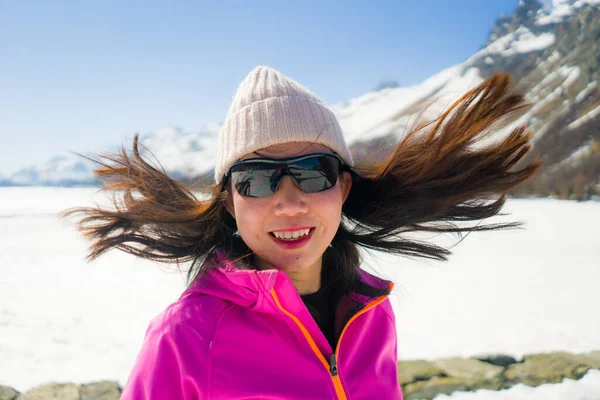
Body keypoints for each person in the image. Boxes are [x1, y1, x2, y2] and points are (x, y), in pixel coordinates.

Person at [65, 66, 539, 399]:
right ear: (230, 200)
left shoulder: (370, 314)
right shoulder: (187, 336)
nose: (290, 203)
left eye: (313, 172)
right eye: (257, 178)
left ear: (343, 187)